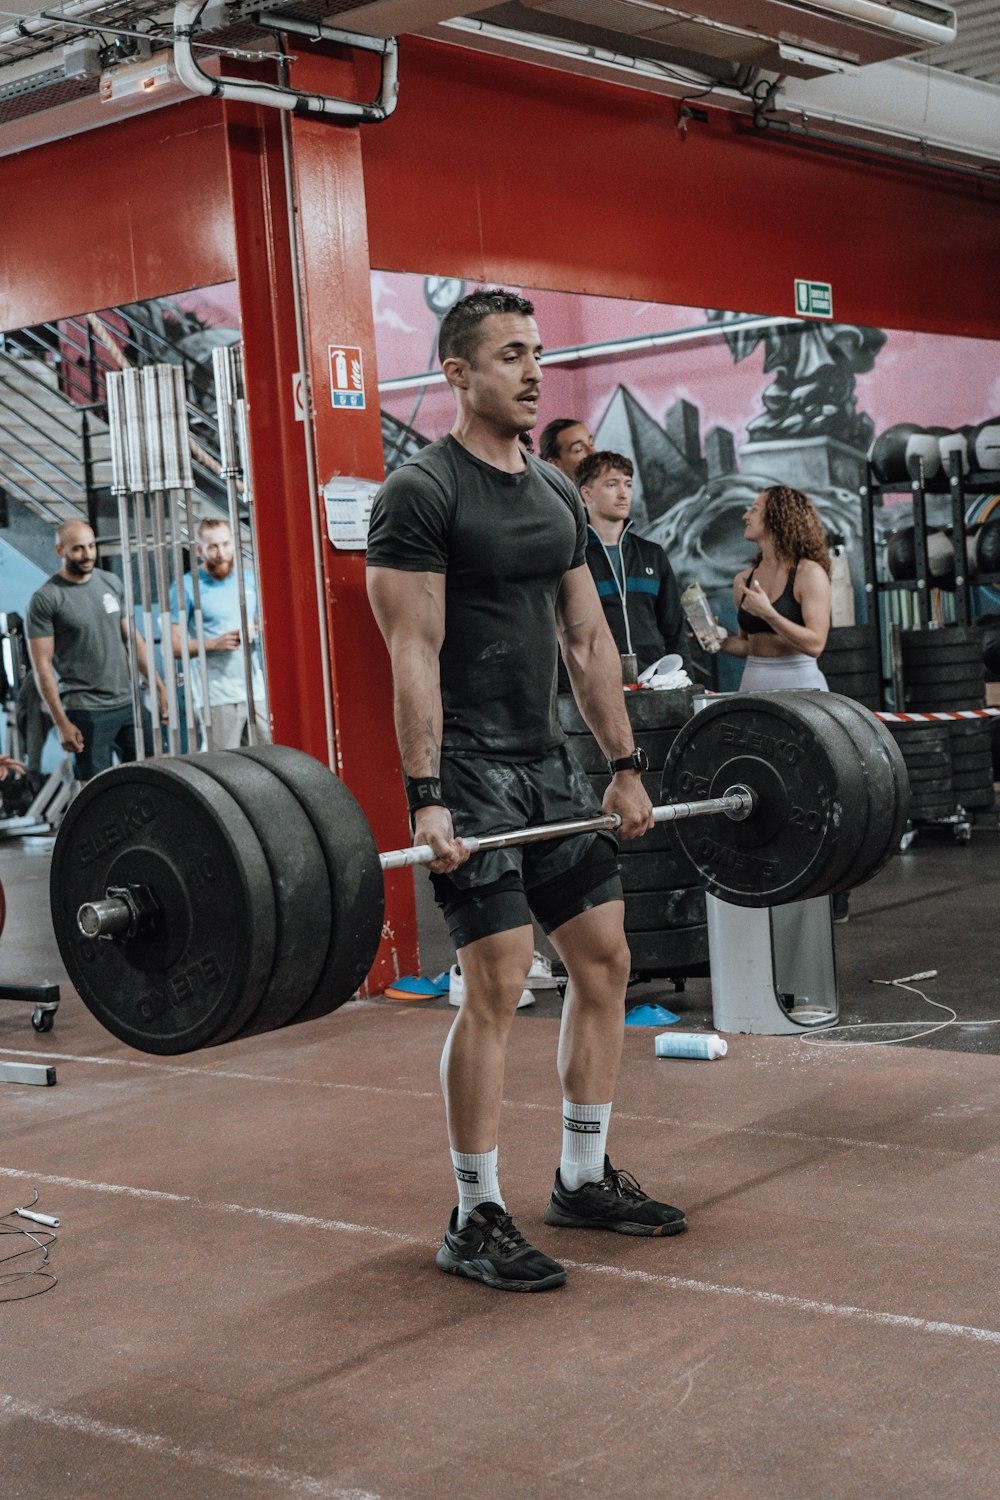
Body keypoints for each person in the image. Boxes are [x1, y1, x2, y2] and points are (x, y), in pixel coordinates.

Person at [366, 287, 686, 1296]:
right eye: (509, 355)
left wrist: (622, 763)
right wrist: (427, 794)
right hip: (467, 767)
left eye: (536, 353)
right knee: (498, 978)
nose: (533, 370)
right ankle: (474, 1212)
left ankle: (582, 1177)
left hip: (549, 762)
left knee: (603, 958)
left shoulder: (555, 494)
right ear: (458, 373)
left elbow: (588, 640)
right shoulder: (419, 492)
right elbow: (411, 653)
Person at [26, 520, 165, 783]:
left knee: (152, 777)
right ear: (60, 551)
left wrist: (157, 685)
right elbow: (42, 666)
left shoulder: (110, 582)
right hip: (86, 708)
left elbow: (133, 640)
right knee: (96, 792)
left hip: (128, 703)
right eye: (78, 549)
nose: (88, 554)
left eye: (91, 546)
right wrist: (60, 722)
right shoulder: (47, 598)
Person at [572, 449, 691, 681]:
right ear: (586, 494)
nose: (623, 494)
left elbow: (675, 632)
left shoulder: (652, 555)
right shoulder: (573, 558)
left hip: (654, 683)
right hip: (595, 686)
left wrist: (684, 683)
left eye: (627, 484)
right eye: (611, 485)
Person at [717, 484, 832, 691]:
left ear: (776, 518)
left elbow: (815, 645)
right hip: (753, 686)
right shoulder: (743, 580)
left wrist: (769, 614)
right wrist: (722, 642)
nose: (745, 516)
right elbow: (748, 645)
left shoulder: (809, 573)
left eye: (754, 510)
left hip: (803, 687)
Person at [169, 517, 269, 750]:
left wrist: (256, 631)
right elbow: (173, 647)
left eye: (225, 544)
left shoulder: (249, 580)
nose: (220, 552)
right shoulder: (186, 586)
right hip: (216, 696)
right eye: (212, 546)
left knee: (268, 761)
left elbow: (264, 624)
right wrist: (215, 643)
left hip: (255, 691)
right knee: (224, 770)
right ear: (200, 550)